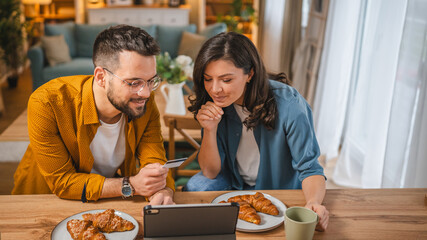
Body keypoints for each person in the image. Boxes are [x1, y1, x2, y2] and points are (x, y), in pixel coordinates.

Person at [12, 25, 174, 205]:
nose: (145, 92)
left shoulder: (144, 103)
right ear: (101, 77)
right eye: (134, 82)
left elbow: (154, 160)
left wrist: (162, 188)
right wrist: (131, 185)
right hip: (43, 201)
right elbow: (62, 182)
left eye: (151, 81)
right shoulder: (47, 103)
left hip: (106, 201)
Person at [185, 32, 329, 230]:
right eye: (208, 79)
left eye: (226, 80)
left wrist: (314, 202)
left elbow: (310, 168)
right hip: (235, 183)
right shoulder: (213, 103)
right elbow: (210, 172)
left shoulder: (289, 104)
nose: (215, 89)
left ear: (250, 74)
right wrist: (210, 130)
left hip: (277, 186)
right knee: (195, 187)